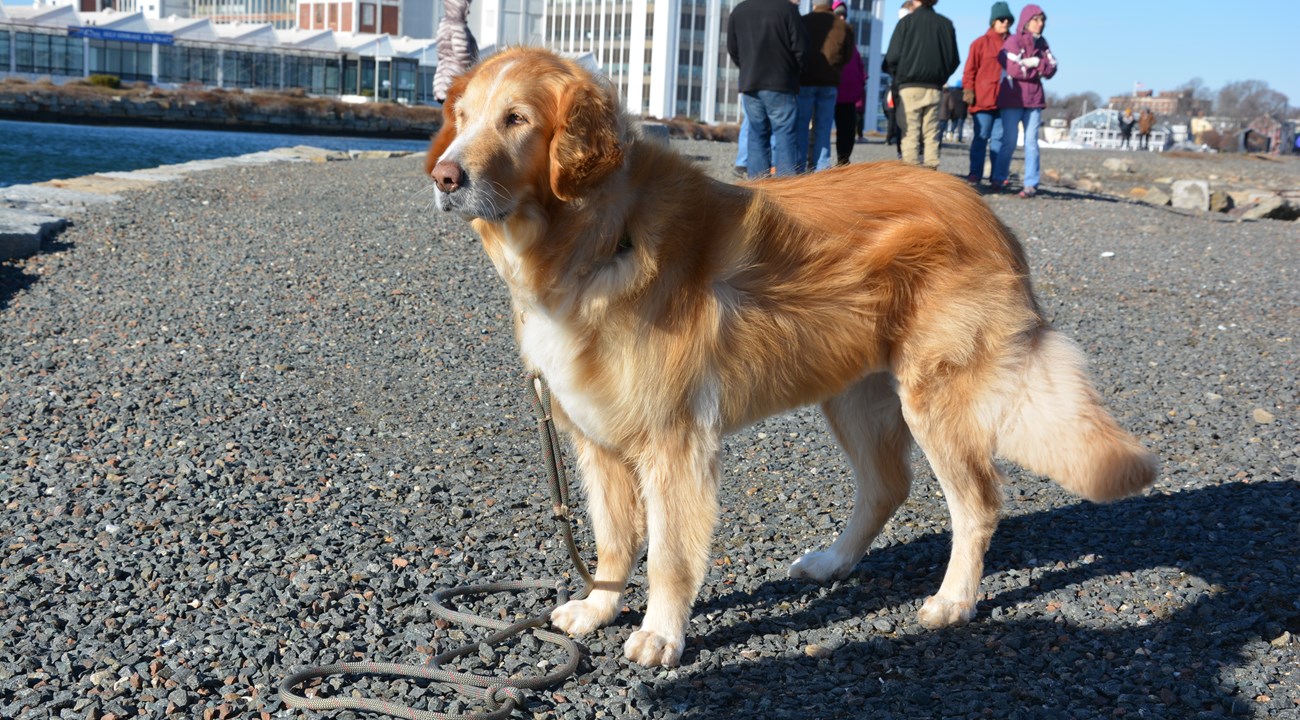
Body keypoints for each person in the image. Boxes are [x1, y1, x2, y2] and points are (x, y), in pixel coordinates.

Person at [728, 0, 809, 178]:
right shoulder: (787, 9)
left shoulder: (739, 10)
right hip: (781, 83)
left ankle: (758, 188)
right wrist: (795, 72)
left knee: (757, 134)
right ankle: (786, 187)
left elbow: (733, 49)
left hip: (751, 83)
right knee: (785, 134)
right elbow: (801, 48)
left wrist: (747, 67)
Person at [883, 0, 960, 169]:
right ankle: (931, 171)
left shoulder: (906, 22)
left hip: (909, 87)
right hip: (934, 87)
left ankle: (912, 177)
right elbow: (954, 60)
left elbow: (892, 57)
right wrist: (941, 77)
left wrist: (898, 76)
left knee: (910, 133)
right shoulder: (945, 24)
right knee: (931, 133)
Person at [992, 4, 1056, 198]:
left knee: (1031, 142)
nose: (1040, 24)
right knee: (1009, 141)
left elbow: (1051, 68)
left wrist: (1034, 64)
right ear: (1027, 21)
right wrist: (1036, 69)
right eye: (1036, 19)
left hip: (1034, 100)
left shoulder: (1043, 44)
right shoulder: (1013, 41)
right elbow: (1012, 68)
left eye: (1042, 20)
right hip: (1012, 98)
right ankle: (999, 177)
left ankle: (1031, 183)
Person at [795, 0, 855, 172]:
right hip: (829, 82)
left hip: (805, 80)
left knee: (801, 124)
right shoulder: (843, 26)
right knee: (823, 126)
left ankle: (799, 165)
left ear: (814, 4)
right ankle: (821, 166)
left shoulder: (803, 21)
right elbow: (848, 56)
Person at [962, 1, 1011, 186]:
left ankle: (997, 177)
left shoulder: (1013, 44)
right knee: (981, 138)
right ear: (993, 21)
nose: (1005, 22)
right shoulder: (979, 43)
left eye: (1008, 19)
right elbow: (969, 70)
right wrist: (968, 92)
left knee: (999, 139)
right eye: (1001, 19)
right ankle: (975, 173)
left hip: (1005, 101)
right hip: (982, 99)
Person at [832, 1, 866, 166]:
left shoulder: (850, 40)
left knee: (847, 132)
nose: (842, 17)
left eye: (844, 14)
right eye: (838, 13)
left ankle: (843, 161)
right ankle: (815, 163)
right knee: (820, 130)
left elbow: (860, 68)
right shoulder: (827, 34)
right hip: (829, 91)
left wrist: (858, 88)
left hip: (847, 95)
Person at [433, 0, 478, 104]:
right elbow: (462, 54)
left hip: (443, 81)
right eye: (467, 8)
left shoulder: (444, 24)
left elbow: (441, 53)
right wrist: (475, 68)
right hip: (455, 81)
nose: (469, 12)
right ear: (460, 7)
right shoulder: (457, 26)